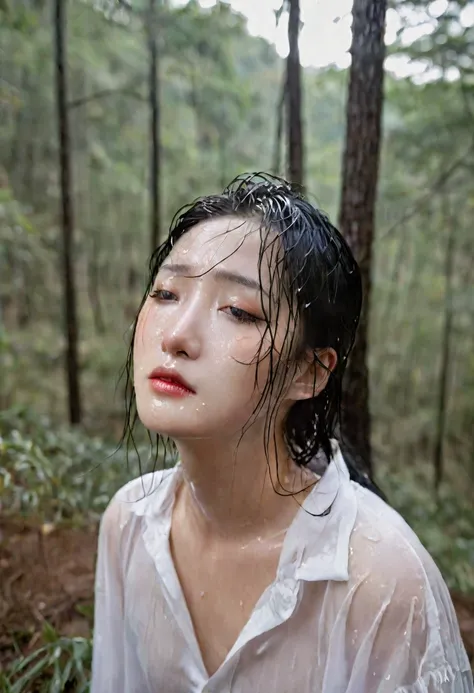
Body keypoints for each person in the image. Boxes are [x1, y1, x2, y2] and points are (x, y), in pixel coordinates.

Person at [91, 173, 472, 693]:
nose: (176, 335)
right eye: (165, 293)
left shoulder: (382, 579)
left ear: (310, 372)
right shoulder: (128, 525)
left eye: (239, 311)